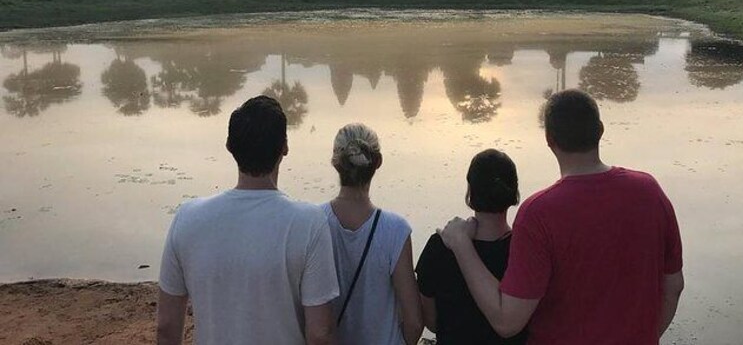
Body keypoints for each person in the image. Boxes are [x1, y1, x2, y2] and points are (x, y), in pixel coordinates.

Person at [440, 89, 684, 345]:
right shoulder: (649, 191)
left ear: (549, 139)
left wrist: (462, 245)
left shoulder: (539, 213)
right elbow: (673, 286)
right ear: (600, 130)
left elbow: (507, 321)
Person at [156, 96, 338, 345]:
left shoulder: (187, 219)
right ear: (284, 146)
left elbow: (166, 327)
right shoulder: (308, 223)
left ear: (230, 146)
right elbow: (320, 334)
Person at [322, 123, 423, 345]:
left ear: (335, 163)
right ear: (378, 162)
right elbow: (414, 321)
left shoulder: (314, 223)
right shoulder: (395, 230)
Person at [416, 149, 527, 345]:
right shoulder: (525, 250)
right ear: (514, 193)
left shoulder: (440, 246)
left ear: (470, 192)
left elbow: (432, 322)